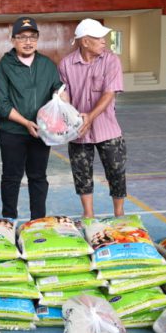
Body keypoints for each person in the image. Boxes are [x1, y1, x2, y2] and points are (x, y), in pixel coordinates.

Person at [0, 16, 63, 220]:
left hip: (41, 133)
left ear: (38, 39)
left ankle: (38, 220)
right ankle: (9, 220)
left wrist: (60, 95)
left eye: (32, 37)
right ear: (13, 40)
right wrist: (25, 122)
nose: (28, 42)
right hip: (12, 133)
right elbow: (1, 105)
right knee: (11, 178)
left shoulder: (47, 65)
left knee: (38, 177)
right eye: (22, 37)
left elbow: (56, 88)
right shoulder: (4, 66)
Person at [58, 19, 127, 218]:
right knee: (82, 173)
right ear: (85, 42)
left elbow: (109, 93)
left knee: (116, 171)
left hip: (108, 129)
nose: (104, 41)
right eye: (99, 37)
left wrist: (90, 117)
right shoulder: (66, 64)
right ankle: (88, 214)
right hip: (79, 131)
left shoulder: (111, 60)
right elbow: (65, 96)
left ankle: (119, 213)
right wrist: (71, 114)